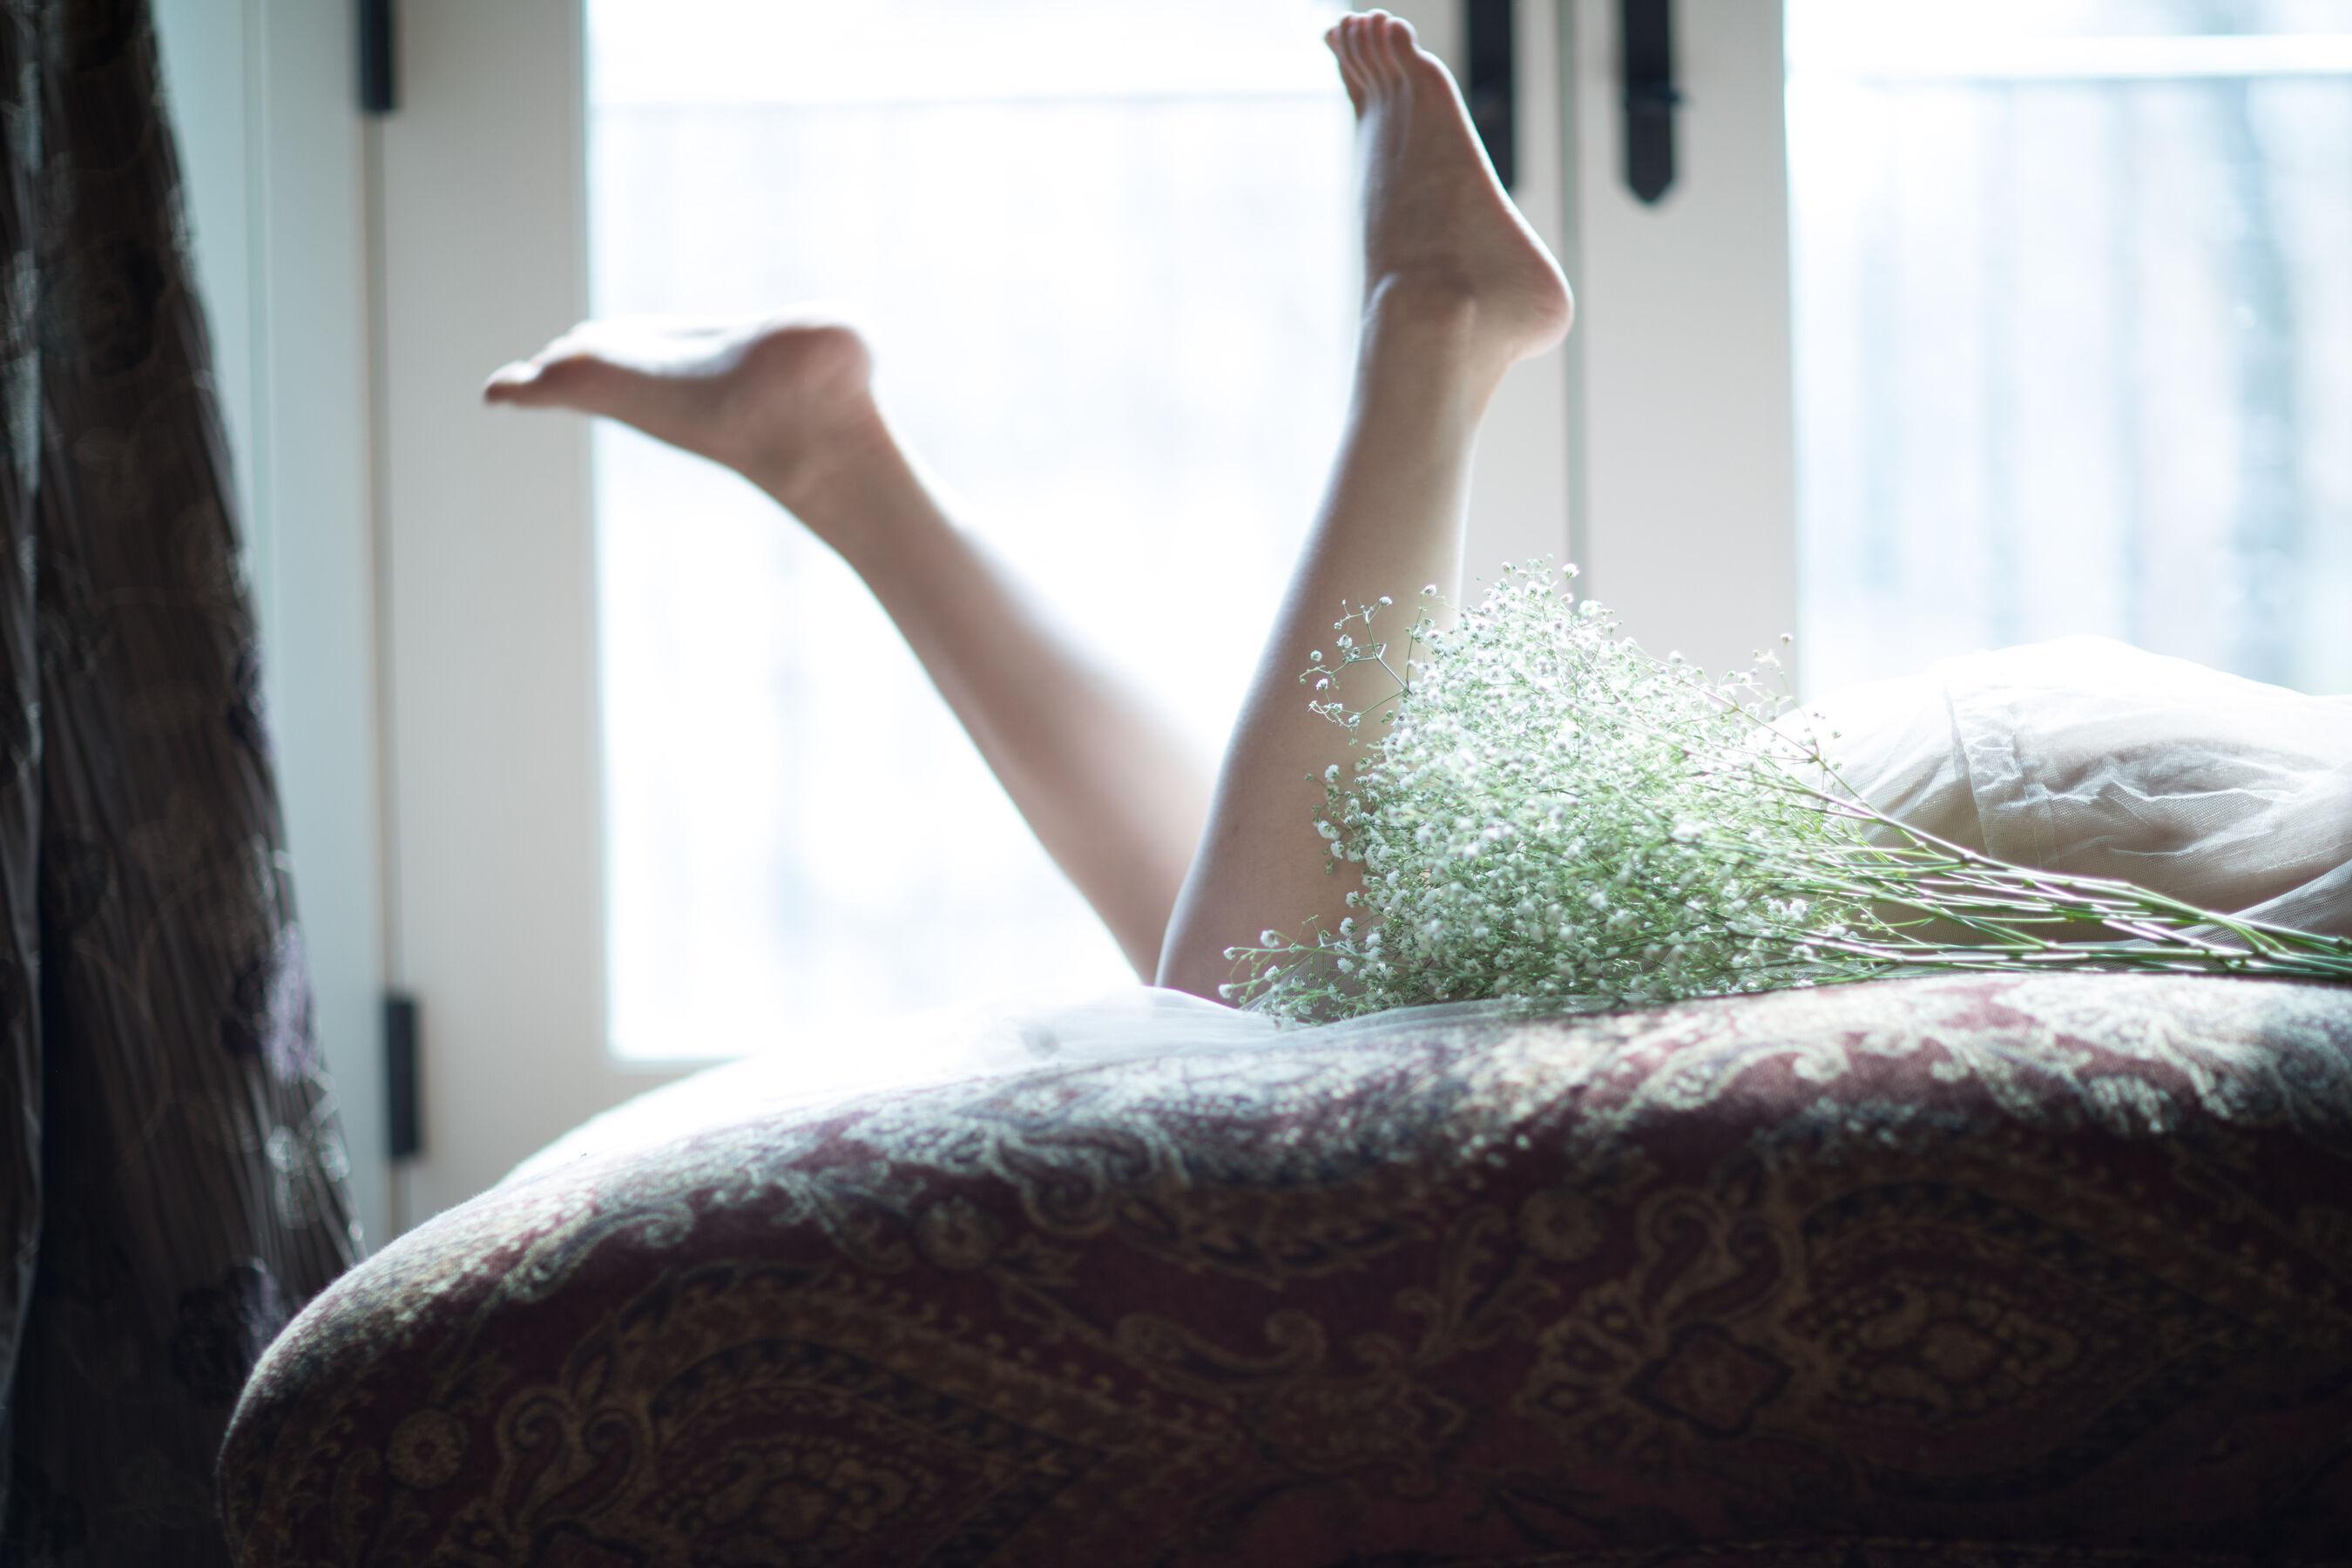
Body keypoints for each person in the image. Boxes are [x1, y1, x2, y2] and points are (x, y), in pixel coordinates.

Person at [485, 10, 2351, 1028]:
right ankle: (1431, 335)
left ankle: (837, 465)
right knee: (1275, 1022)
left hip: (2127, 781)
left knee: (1277, 973)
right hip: (2127, 829)